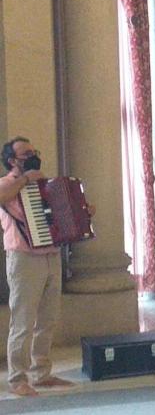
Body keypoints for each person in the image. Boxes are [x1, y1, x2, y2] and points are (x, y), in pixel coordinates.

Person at [0, 137, 75, 396]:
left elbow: (60, 213)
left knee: (47, 319)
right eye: (26, 153)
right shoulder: (7, 184)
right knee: (22, 321)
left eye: (34, 151)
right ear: (12, 160)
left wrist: (81, 212)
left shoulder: (44, 184)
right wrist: (25, 179)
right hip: (23, 259)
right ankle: (17, 378)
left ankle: (41, 373)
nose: (33, 156)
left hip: (51, 255)